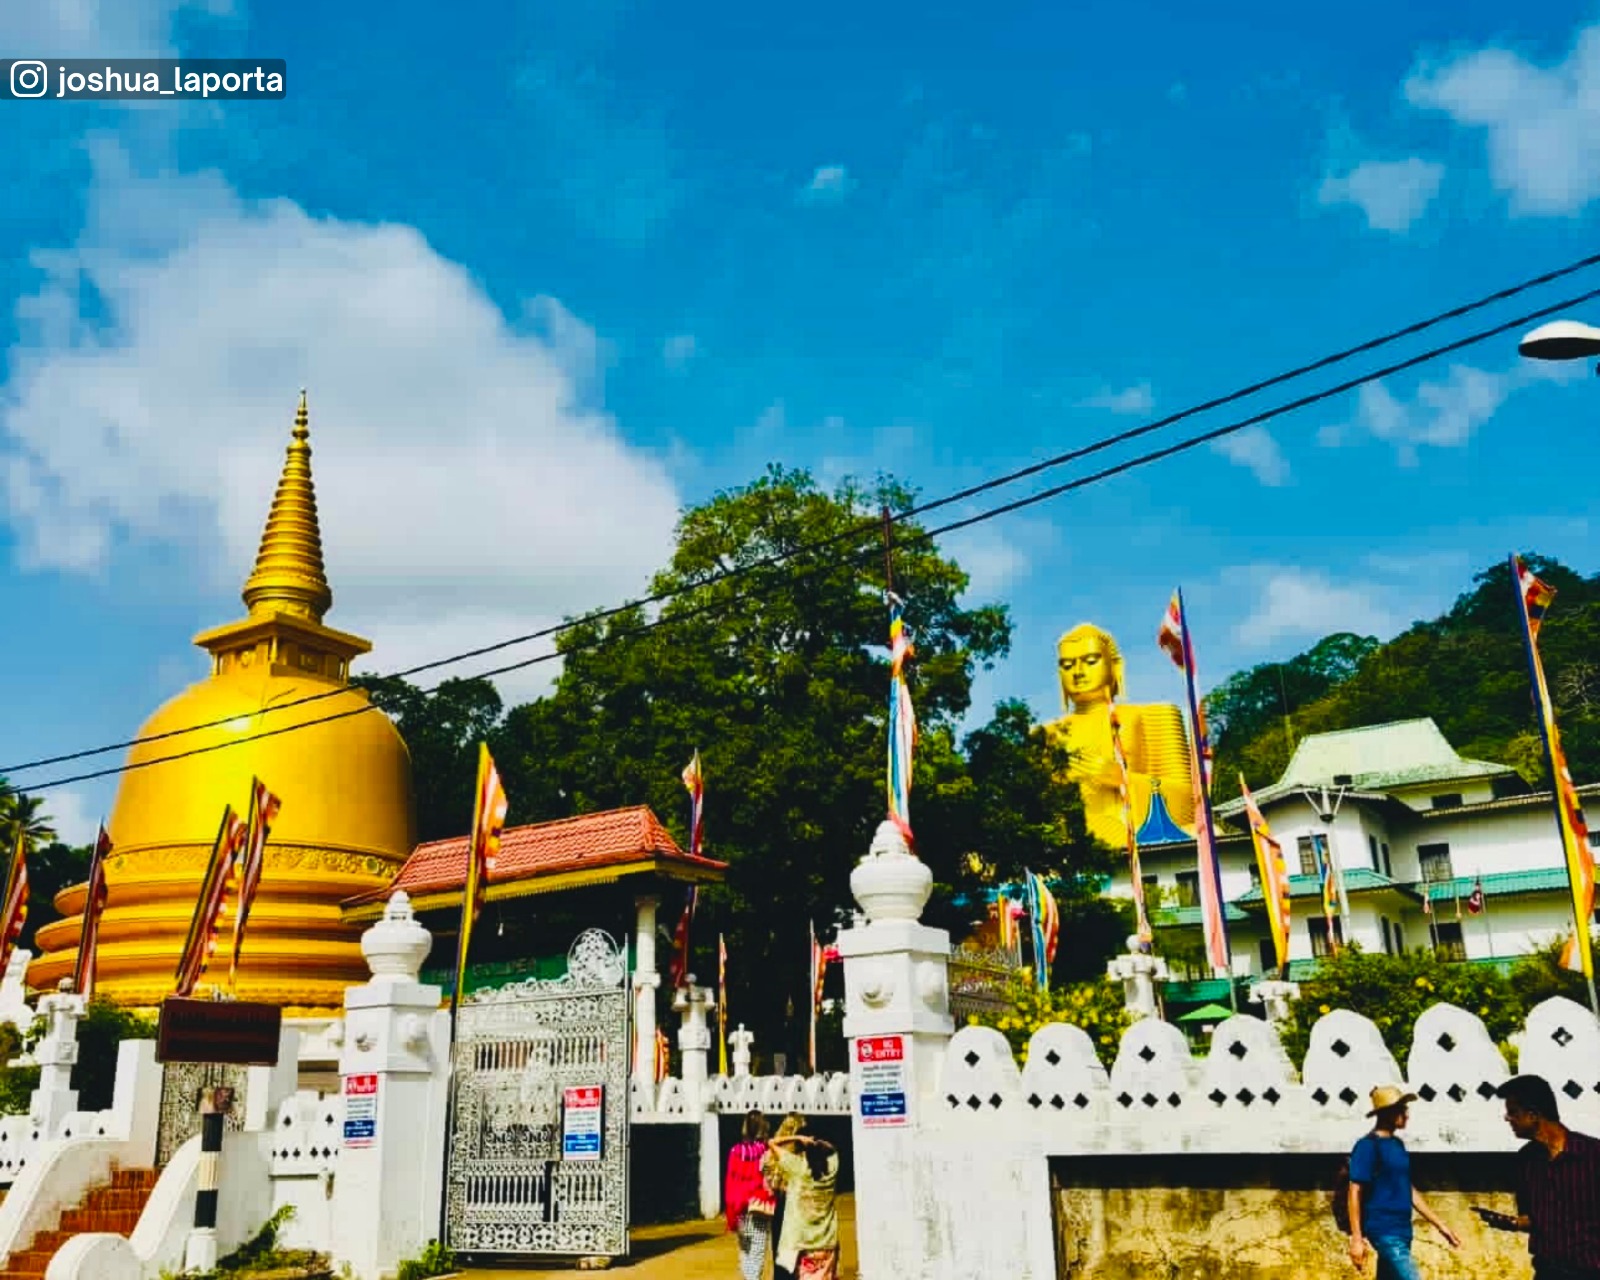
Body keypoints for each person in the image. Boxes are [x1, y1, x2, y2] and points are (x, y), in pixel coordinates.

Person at [1494, 1074, 1600, 1279]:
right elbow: (1534, 1219)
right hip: (1547, 1271)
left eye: (1513, 1112)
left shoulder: (1592, 1155)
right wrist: (1513, 1223)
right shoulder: (1525, 1160)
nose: (1507, 1118)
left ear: (1533, 1115)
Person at [1347, 1085, 1460, 1278]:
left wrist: (1440, 1225)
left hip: (1402, 1228)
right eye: (1402, 1109)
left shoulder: (1397, 1145)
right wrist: (1356, 1239)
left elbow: (1407, 1188)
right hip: (1383, 1229)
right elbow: (1354, 1191)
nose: (1407, 1114)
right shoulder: (1367, 1146)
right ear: (1387, 1113)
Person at [767, 1127, 841, 1280]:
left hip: (803, 1245)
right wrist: (816, 1142)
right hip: (827, 1243)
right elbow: (832, 1148)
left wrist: (798, 1138)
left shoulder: (797, 1168)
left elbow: (772, 1143)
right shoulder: (832, 1169)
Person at [724, 1110, 776, 1280]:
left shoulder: (735, 1151)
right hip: (758, 1208)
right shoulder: (765, 1151)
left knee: (745, 1251)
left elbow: (730, 1182)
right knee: (757, 1253)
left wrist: (731, 1212)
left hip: (739, 1210)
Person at [764, 1113, 807, 1280]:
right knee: (797, 1252)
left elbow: (767, 1179)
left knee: (779, 1252)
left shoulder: (773, 1155)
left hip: (779, 1206)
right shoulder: (800, 1156)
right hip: (796, 1206)